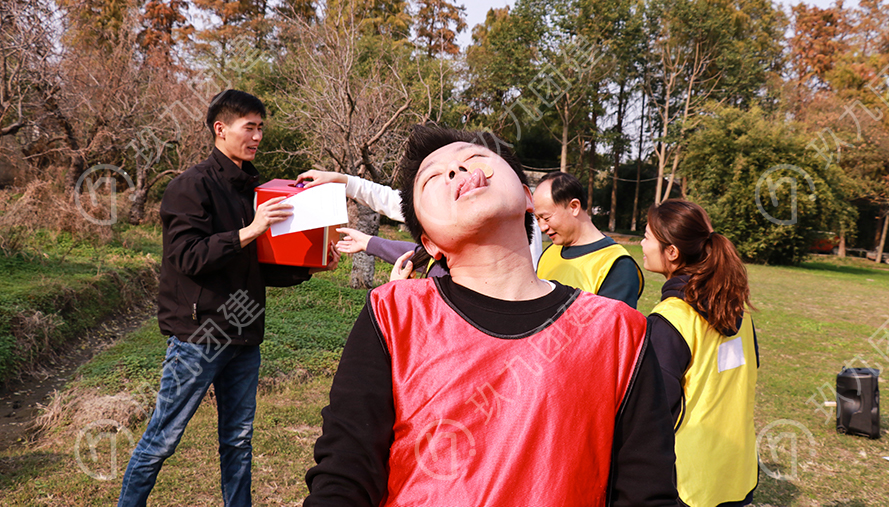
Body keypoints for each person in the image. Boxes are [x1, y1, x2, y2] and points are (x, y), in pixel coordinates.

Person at [303, 124, 678, 506]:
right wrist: (346, 181)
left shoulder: (618, 331)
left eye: (476, 159)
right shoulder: (393, 314)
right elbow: (344, 475)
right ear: (428, 242)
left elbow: (647, 491)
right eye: (434, 177)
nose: (456, 171)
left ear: (528, 197)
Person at [118, 90, 338, 507]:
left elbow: (257, 264)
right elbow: (188, 257)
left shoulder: (253, 189)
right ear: (221, 129)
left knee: (238, 442)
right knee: (162, 440)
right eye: (249, 127)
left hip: (244, 335)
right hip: (199, 337)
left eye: (261, 128)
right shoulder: (190, 187)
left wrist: (311, 265)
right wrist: (250, 231)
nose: (257, 136)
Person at [641, 199, 759, 507]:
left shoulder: (670, 321)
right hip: (735, 473)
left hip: (689, 483)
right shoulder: (740, 313)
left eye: (646, 237)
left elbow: (653, 415)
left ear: (672, 253)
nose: (641, 244)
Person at [297, 168, 545, 269]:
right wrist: (344, 180)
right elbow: (396, 201)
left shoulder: (517, 224)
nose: (464, 174)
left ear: (526, 198)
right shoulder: (450, 219)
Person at [533, 171, 644, 308]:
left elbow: (612, 327)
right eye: (537, 219)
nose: (542, 227)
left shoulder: (617, 265)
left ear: (574, 207)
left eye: (546, 218)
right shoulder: (549, 254)